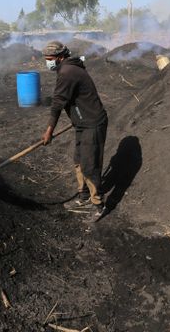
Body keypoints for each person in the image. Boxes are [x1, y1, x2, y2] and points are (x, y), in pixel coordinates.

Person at [41, 40, 108, 222]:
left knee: (90, 165)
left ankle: (98, 205)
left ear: (60, 57)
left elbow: (57, 104)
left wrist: (49, 131)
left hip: (92, 123)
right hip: (82, 122)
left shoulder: (67, 72)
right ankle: (83, 196)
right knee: (79, 161)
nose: (47, 62)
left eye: (50, 59)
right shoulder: (68, 67)